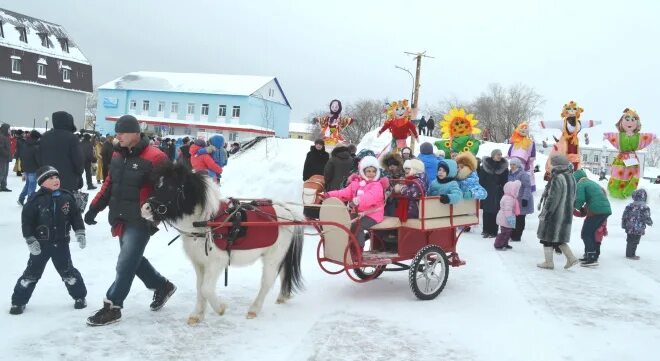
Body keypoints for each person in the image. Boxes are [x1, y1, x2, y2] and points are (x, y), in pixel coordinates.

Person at [84, 115, 176, 326]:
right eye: (116, 133)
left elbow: (167, 190)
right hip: (120, 216)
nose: (118, 136)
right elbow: (109, 184)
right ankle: (162, 286)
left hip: (141, 219)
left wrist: (156, 211)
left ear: (136, 133)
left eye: (122, 133)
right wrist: (94, 208)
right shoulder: (117, 154)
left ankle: (113, 306)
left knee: (125, 262)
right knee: (133, 260)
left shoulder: (156, 157)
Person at [9, 166, 87, 315]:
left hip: (61, 243)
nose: (55, 180)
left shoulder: (67, 197)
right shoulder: (34, 200)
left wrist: (80, 232)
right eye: (50, 178)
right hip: (41, 245)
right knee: (31, 273)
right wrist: (30, 240)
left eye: (56, 177)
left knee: (68, 272)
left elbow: (75, 217)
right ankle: (18, 301)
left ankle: (79, 297)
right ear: (41, 182)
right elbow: (27, 223)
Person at [324, 156, 386, 249]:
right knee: (343, 222)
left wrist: (358, 200)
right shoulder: (357, 183)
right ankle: (344, 246)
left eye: (374, 171)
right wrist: (328, 194)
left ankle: (357, 249)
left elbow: (370, 197)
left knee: (357, 225)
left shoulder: (377, 185)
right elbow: (344, 192)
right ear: (363, 172)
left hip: (372, 214)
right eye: (368, 171)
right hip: (357, 213)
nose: (371, 174)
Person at [536, 155, 579, 270]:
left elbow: (553, 198)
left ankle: (548, 262)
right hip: (565, 213)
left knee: (546, 237)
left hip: (554, 213)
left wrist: (546, 212)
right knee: (559, 237)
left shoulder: (557, 177)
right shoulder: (571, 177)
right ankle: (571, 258)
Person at [573, 168, 612, 267]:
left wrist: (574, 207)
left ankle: (591, 258)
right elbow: (593, 199)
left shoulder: (581, 184)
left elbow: (580, 199)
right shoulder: (592, 183)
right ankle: (590, 255)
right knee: (590, 233)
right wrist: (580, 210)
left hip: (597, 211)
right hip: (605, 210)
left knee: (586, 233)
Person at [38, 111, 84, 192]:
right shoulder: (72, 138)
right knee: (66, 203)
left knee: (49, 202)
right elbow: (78, 161)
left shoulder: (45, 137)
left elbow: (39, 158)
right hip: (68, 181)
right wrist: (79, 174)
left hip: (48, 179)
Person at [478, 149, 509, 238]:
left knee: (495, 211)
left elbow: (505, 181)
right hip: (487, 191)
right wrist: (482, 189)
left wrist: (502, 189)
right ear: (493, 156)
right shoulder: (485, 166)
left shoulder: (503, 167)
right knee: (486, 211)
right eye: (497, 154)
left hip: (497, 192)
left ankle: (493, 231)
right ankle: (485, 230)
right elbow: (481, 179)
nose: (499, 156)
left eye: (500, 154)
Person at [621, 188, 653, 260]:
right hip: (638, 227)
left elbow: (624, 216)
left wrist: (623, 224)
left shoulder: (630, 205)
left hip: (629, 226)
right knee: (635, 241)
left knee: (629, 240)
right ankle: (631, 255)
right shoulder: (644, 207)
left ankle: (629, 254)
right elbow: (646, 216)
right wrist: (650, 222)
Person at [508, 157, 533, 241]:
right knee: (513, 218)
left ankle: (517, 236)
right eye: (511, 164)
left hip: (522, 199)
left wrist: (525, 198)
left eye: (514, 164)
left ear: (518, 165)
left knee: (520, 218)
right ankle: (512, 234)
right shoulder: (510, 174)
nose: (512, 166)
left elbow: (527, 187)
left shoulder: (523, 174)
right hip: (513, 200)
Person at [494, 180, 521, 250]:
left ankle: (504, 244)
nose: (517, 191)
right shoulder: (508, 198)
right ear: (512, 190)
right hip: (505, 218)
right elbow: (507, 210)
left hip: (506, 218)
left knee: (508, 232)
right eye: (516, 190)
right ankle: (498, 244)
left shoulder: (510, 197)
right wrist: (510, 219)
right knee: (504, 233)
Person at [17, 130, 41, 205]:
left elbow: (22, 156)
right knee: (32, 186)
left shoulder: (25, 144)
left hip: (26, 168)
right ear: (37, 138)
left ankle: (21, 199)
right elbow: (38, 160)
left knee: (28, 185)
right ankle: (30, 203)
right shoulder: (36, 147)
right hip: (33, 169)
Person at [381, 152, 405, 216]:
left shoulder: (403, 172)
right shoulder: (385, 173)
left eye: (394, 164)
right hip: (388, 198)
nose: (391, 166)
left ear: (398, 165)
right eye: (390, 165)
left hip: (400, 198)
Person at [0, 123, 12, 192]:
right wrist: (7, 154)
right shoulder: (1, 137)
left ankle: (3, 186)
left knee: (5, 173)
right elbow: (1, 148)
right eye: (8, 129)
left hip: (5, 159)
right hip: (2, 158)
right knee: (1, 172)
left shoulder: (6, 137)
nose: (9, 130)